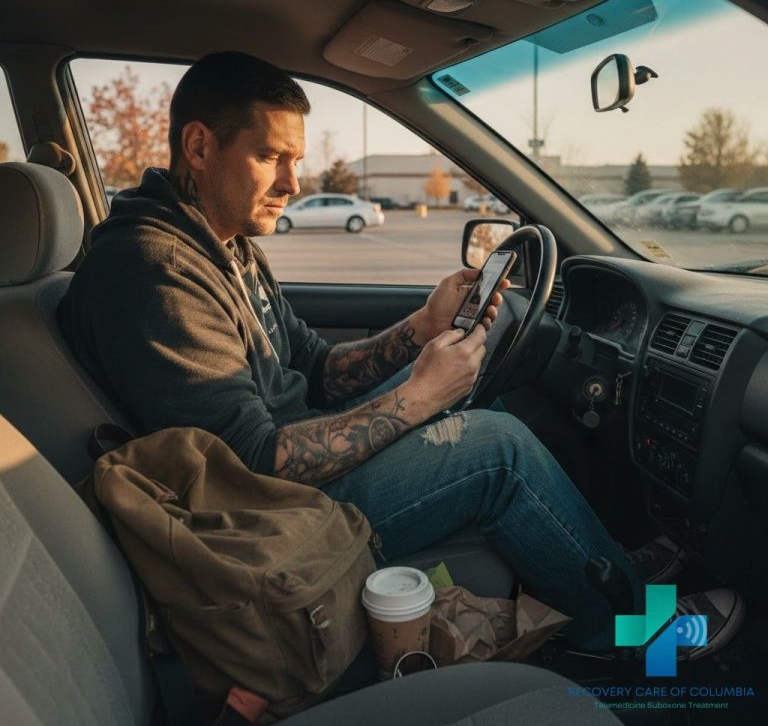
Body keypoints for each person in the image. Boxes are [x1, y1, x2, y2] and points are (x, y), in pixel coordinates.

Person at [59, 51, 743, 655]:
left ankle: (599, 566)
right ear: (200, 147)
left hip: (276, 484)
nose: (294, 183)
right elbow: (252, 462)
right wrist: (421, 396)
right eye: (273, 157)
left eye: (297, 160)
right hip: (258, 521)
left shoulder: (224, 245)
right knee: (497, 447)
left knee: (492, 397)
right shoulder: (154, 269)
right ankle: (625, 630)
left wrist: (422, 326)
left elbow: (320, 370)